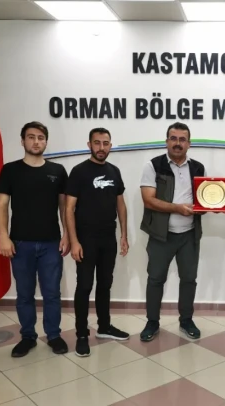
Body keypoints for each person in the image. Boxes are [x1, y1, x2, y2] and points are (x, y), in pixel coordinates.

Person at [0, 121, 70, 358]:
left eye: (40, 137)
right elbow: (1, 205)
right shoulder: (10, 170)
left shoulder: (58, 171)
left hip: (51, 244)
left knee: (52, 294)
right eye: (31, 137)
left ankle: (54, 335)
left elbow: (64, 207)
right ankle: (28, 336)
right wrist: (3, 237)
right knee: (25, 294)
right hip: (20, 244)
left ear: (46, 142)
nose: (36, 142)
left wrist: (67, 234)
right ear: (22, 141)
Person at [65, 127, 130, 357]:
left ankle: (104, 327)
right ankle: (82, 335)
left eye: (105, 143)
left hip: (108, 237)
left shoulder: (114, 171)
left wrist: (124, 235)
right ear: (89, 145)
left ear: (110, 145)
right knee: (84, 286)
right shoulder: (79, 171)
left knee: (105, 284)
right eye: (97, 143)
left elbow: (120, 204)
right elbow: (69, 208)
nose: (101, 147)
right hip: (85, 238)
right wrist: (74, 241)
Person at [138, 122, 206, 342]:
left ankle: (186, 320)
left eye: (182, 139)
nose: (178, 143)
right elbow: (148, 200)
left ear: (189, 143)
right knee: (155, 279)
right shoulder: (153, 166)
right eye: (173, 138)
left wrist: (210, 205)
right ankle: (152, 322)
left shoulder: (198, 168)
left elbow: (204, 199)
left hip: (189, 235)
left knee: (189, 279)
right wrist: (177, 208)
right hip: (161, 235)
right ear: (167, 141)